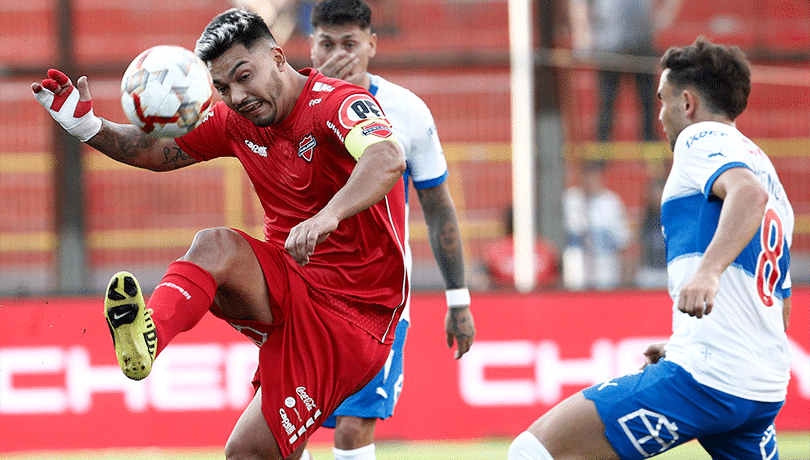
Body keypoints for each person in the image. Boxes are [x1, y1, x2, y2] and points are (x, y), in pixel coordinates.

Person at [32, 8, 412, 460]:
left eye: (244, 76)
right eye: (222, 87)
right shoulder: (237, 121)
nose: (236, 96)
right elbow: (158, 153)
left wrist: (327, 216)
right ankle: (149, 334)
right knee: (215, 244)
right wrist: (86, 126)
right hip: (288, 281)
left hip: (352, 316)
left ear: (276, 56)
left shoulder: (337, 102)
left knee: (247, 452)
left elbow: (386, 157)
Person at [509, 36, 794, 460]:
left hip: (710, 377)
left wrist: (708, 272)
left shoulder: (700, 140)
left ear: (687, 102)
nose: (659, 115)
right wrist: (691, 337)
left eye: (661, 101)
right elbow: (779, 305)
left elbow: (745, 196)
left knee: (534, 450)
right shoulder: (770, 174)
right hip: (762, 388)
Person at [307, 1, 475, 459]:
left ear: (372, 45)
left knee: (354, 430)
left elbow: (438, 209)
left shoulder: (406, 111)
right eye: (326, 44)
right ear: (310, 46)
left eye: (349, 43)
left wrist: (457, 299)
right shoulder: (290, 106)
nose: (338, 54)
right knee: (286, 428)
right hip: (303, 291)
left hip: (377, 300)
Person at [568, 0, 683, 142]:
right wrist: (581, 33)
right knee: (606, 104)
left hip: (642, 44)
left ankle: (652, 155)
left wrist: (665, 14)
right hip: (609, 46)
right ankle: (600, 155)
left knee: (648, 106)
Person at [561, 160, 632, 290]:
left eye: (594, 177)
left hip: (605, 267)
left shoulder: (611, 202)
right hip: (577, 267)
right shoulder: (571, 199)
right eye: (587, 177)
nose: (591, 181)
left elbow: (623, 240)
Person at [635, 178, 668, 289]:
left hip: (667, 269)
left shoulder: (673, 217)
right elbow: (640, 244)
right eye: (655, 193)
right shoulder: (646, 217)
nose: (657, 196)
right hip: (649, 270)